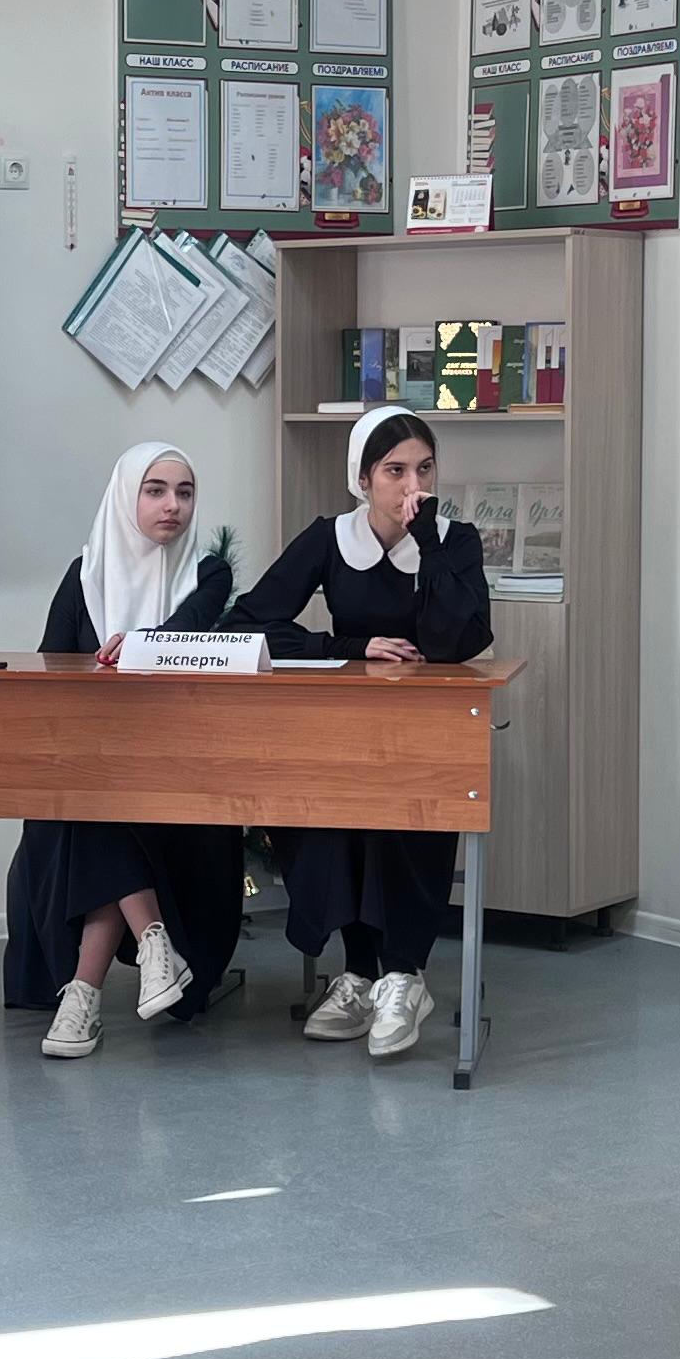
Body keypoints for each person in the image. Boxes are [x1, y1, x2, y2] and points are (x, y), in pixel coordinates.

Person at [228, 408, 493, 1060]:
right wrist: (348, 645)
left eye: (425, 469)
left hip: (424, 731)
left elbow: (459, 640)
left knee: (403, 812)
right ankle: (360, 972)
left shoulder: (454, 542)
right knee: (326, 813)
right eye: (395, 471)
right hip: (346, 726)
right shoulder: (331, 538)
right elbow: (250, 620)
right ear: (363, 478)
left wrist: (427, 543)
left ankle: (403, 974)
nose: (413, 487)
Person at [5, 442, 245, 1059]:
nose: (173, 505)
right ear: (125, 497)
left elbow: (185, 632)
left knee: (97, 804)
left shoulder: (206, 572)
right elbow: (51, 665)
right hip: (96, 754)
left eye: (184, 492)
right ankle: (153, 941)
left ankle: (83, 996)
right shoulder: (84, 574)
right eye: (155, 490)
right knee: (97, 796)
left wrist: (136, 645)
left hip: (179, 764)